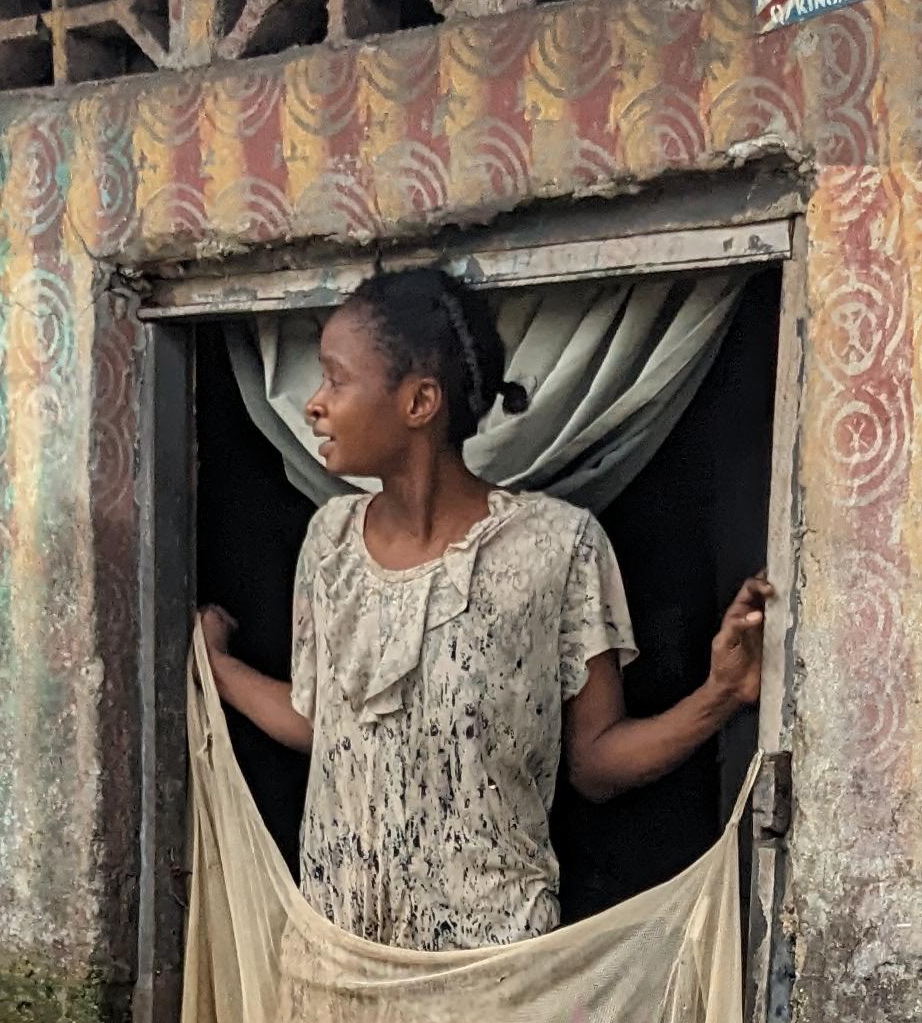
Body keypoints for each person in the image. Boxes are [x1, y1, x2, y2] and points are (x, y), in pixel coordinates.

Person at [200, 261, 770, 951]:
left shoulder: (556, 548)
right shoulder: (329, 543)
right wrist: (217, 666)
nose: (314, 403)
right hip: (342, 955)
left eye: (336, 378)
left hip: (492, 963)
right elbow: (323, 722)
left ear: (419, 403)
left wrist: (719, 695)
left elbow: (594, 760)